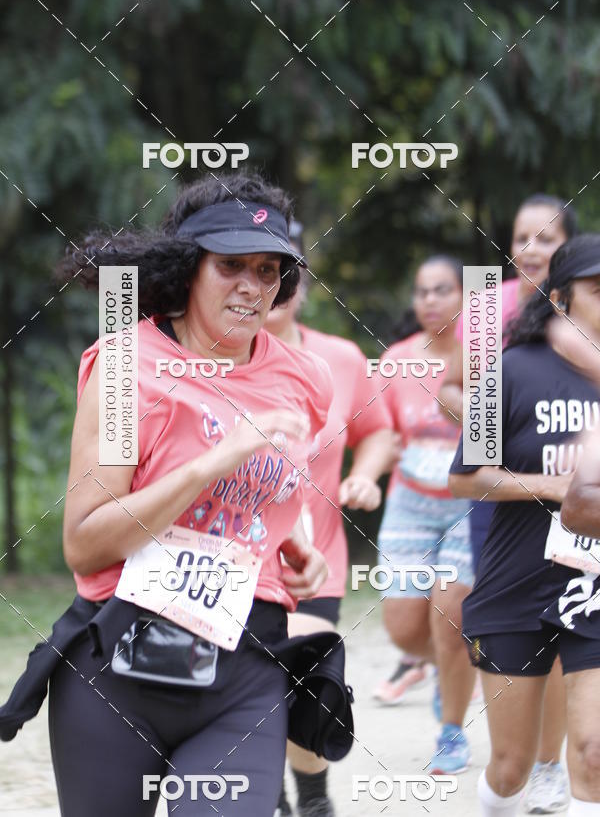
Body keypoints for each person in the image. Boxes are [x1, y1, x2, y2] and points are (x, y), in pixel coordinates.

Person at [0, 172, 354, 817]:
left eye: (270, 269)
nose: (252, 286)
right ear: (188, 268)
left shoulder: (306, 378)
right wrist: (217, 460)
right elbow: (84, 542)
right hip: (117, 666)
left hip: (245, 661)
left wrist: (296, 541)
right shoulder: (122, 365)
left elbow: (275, 489)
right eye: (231, 266)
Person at [448, 234, 600, 817]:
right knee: (511, 769)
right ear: (560, 299)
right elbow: (465, 477)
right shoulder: (506, 369)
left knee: (591, 752)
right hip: (515, 582)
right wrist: (556, 487)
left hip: (591, 585)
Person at [265, 222, 393, 817]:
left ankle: (311, 802)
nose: (273, 283)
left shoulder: (340, 358)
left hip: (317, 564)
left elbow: (378, 432)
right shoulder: (202, 363)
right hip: (229, 561)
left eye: (285, 269)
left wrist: (364, 473)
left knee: (300, 687)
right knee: (253, 691)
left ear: (304, 280)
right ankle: (276, 800)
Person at [374, 254, 475, 774]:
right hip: (409, 504)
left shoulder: (485, 354)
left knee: (451, 613)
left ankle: (452, 732)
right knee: (405, 628)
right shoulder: (397, 360)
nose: (429, 301)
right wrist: (374, 460)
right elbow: (379, 432)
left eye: (442, 290)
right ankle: (443, 666)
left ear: (466, 296)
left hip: (469, 504)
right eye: (421, 291)